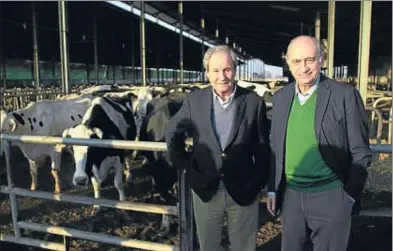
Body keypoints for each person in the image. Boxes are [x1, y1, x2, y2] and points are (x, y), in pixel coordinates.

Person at [266, 35, 373, 251]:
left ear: (322, 60)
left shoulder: (344, 95)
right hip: (292, 196)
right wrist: (272, 189)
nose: (303, 68)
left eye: (310, 60)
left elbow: (361, 152)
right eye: (296, 61)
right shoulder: (280, 98)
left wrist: (348, 197)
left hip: (331, 194)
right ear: (288, 62)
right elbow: (275, 147)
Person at [165, 45, 270, 251]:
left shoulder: (253, 102)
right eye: (215, 71)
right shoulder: (195, 101)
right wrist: (185, 166)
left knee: (244, 246)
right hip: (205, 187)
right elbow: (172, 132)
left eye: (227, 69)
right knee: (208, 245)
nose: (222, 76)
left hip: (244, 187)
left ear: (235, 70)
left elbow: (262, 147)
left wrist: (258, 181)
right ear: (207, 73)